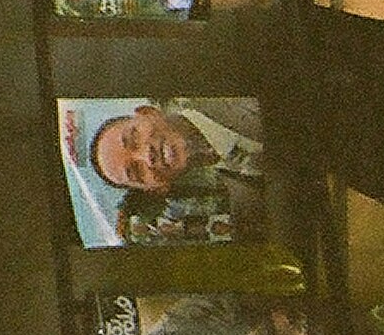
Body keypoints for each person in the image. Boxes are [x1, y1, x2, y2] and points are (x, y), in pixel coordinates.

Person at [87, 101, 261, 245]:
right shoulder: (245, 197)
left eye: (134, 137)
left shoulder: (227, 95)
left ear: (148, 112)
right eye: (137, 171)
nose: (147, 156)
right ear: (157, 188)